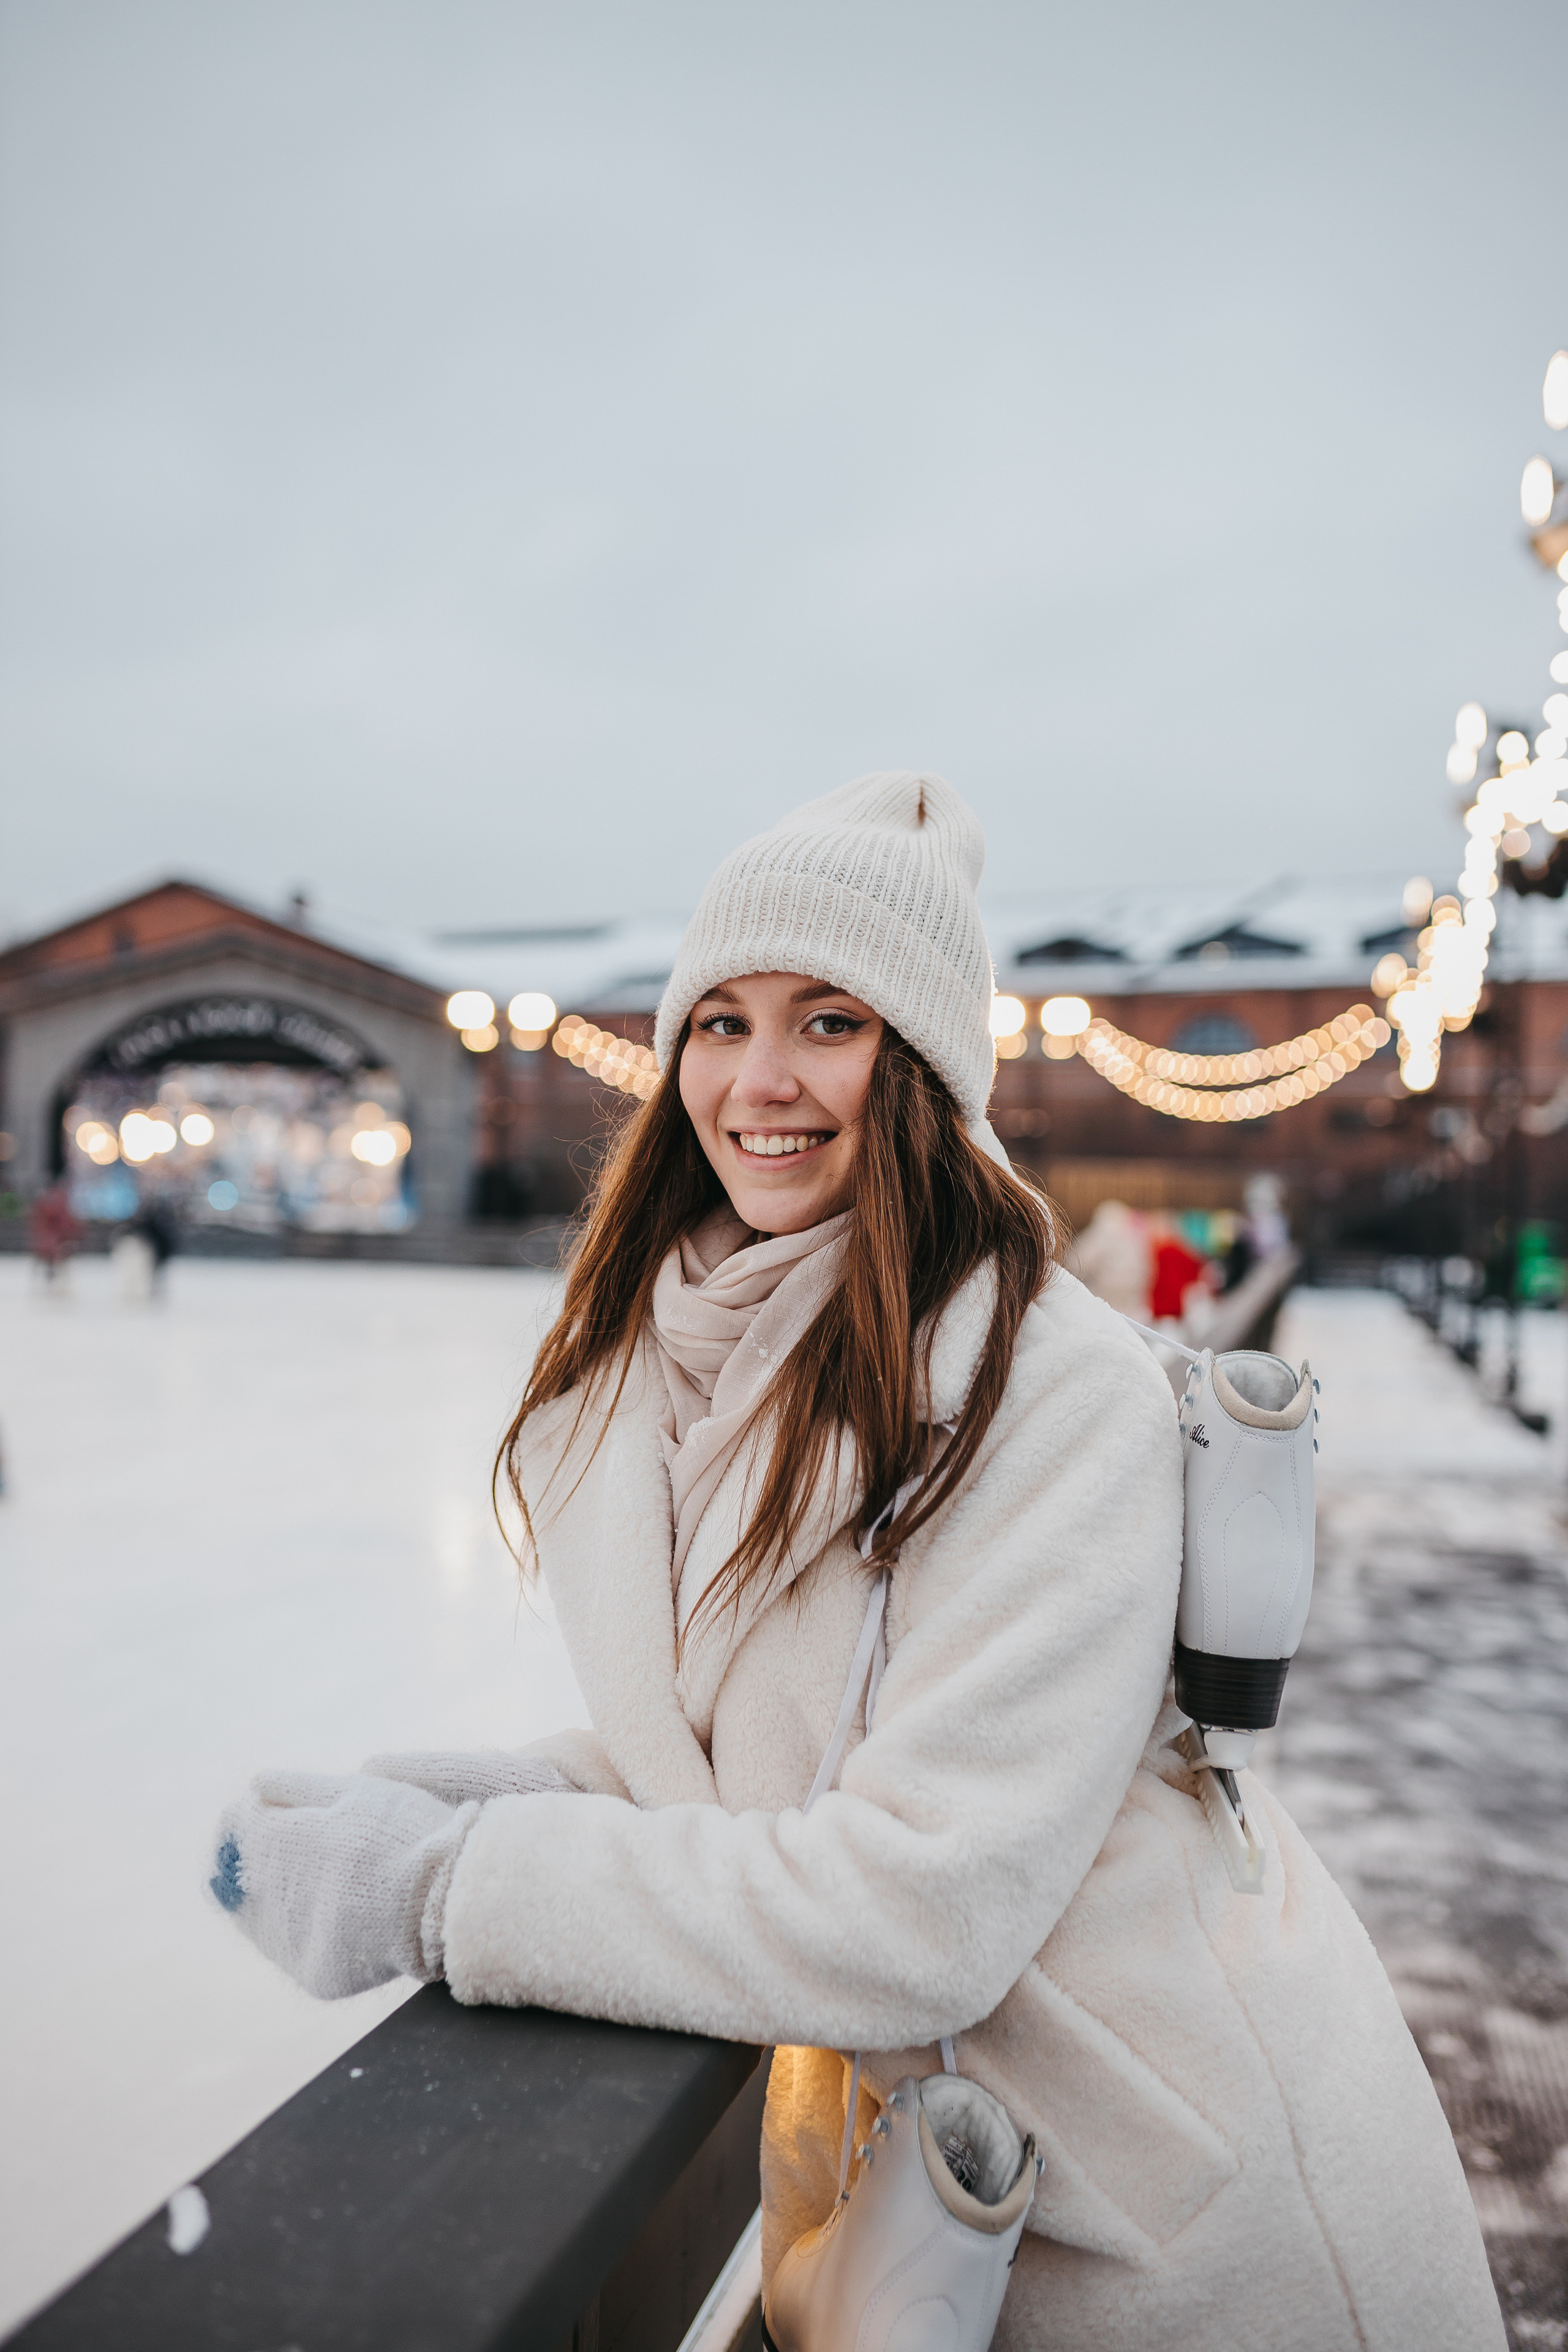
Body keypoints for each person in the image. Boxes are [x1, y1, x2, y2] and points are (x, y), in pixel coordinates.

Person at [213, 774, 1502, 2348]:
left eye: (829, 1021)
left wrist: (442, 1890)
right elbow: (760, 1756)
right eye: (720, 1020)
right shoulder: (683, 1368)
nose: (760, 1079)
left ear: (922, 1062)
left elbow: (914, 1906)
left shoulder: (1050, 1392)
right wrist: (465, 1799)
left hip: (1182, 2224)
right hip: (940, 2203)